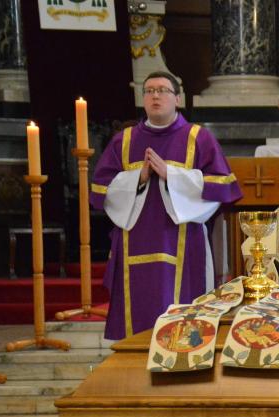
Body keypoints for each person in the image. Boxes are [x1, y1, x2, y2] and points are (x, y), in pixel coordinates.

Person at [91, 71, 242, 341]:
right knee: (139, 306)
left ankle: (183, 351)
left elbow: (221, 186)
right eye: (149, 91)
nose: (155, 96)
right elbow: (101, 190)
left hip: (183, 239)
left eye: (162, 90)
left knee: (182, 318)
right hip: (134, 239)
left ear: (178, 99)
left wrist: (171, 174)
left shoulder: (198, 138)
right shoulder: (124, 140)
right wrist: (138, 178)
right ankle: (134, 353)